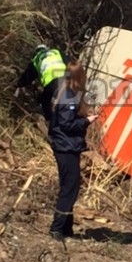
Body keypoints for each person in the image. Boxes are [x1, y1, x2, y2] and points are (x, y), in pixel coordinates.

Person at [47, 60, 98, 241]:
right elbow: (67, 124)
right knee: (70, 189)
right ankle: (57, 227)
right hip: (65, 147)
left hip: (65, 145)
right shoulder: (68, 96)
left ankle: (66, 227)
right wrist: (87, 121)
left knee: (69, 186)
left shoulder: (63, 91)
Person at [16, 44, 69, 122]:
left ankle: (50, 121)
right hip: (67, 78)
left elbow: (28, 77)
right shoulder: (56, 52)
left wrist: (19, 84)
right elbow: (70, 62)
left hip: (52, 82)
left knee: (44, 100)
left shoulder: (37, 58)